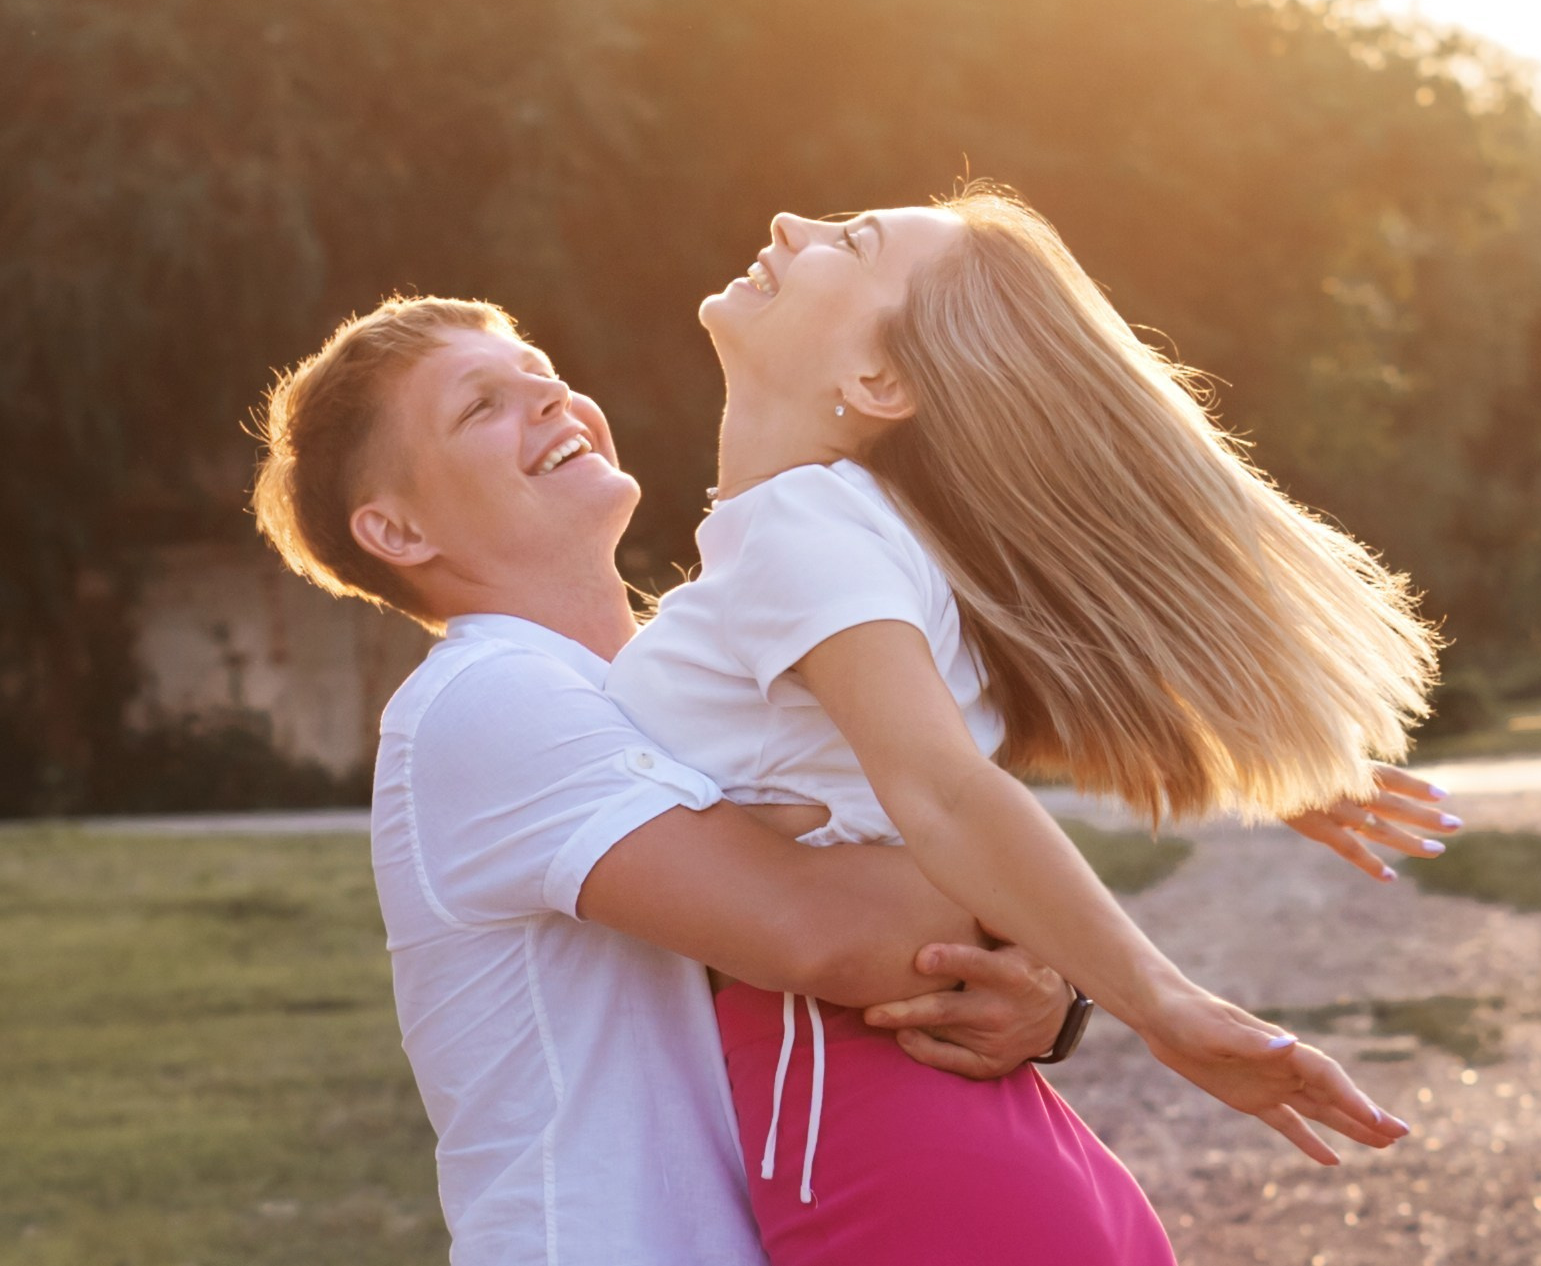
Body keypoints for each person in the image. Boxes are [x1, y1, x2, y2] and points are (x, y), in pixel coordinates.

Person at [600, 184, 1456, 1265]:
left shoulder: (800, 526)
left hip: (894, 1154)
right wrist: (1237, 759)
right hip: (964, 1156)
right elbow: (937, 746)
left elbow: (944, 786)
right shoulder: (856, 538)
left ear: (879, 382)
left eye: (849, 241)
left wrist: (1162, 1004)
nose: (788, 225)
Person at [248, 297, 1084, 1265]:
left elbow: (891, 897)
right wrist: (1026, 920)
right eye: (481, 405)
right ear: (397, 530)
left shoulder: (676, 686)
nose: (550, 397)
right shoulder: (480, 699)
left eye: (539, 370)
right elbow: (824, 931)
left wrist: (1050, 997)